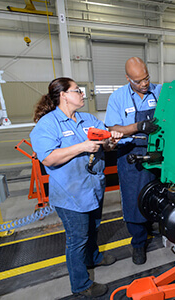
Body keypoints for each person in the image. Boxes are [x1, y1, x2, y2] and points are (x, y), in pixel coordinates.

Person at [30, 77, 123, 298]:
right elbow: (49, 159)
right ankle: (81, 284)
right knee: (77, 239)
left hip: (93, 188)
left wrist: (112, 141)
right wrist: (81, 147)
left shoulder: (87, 119)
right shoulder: (48, 124)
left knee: (94, 228)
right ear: (63, 95)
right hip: (70, 194)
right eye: (77, 91)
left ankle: (93, 258)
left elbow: (105, 144)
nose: (82, 94)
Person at [104, 57, 162, 265]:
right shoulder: (118, 98)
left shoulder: (161, 91)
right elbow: (112, 129)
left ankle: (156, 226)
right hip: (131, 153)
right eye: (139, 81)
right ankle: (138, 243)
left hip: (159, 150)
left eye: (146, 78)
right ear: (128, 78)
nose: (145, 84)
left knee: (159, 193)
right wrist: (138, 127)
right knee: (133, 199)